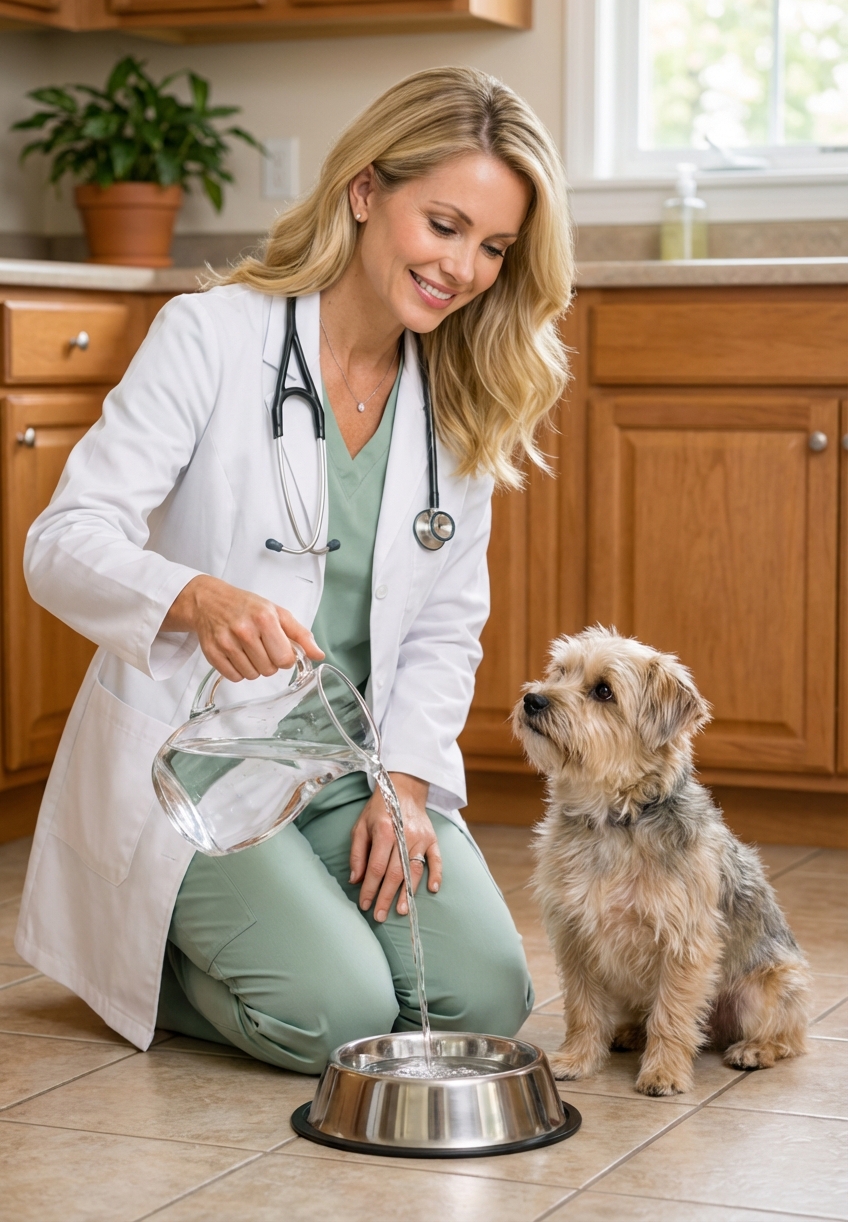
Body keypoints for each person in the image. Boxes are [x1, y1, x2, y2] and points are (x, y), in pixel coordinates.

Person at [15, 67, 574, 1071]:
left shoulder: (457, 392)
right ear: (365, 191)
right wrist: (188, 594)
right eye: (441, 224)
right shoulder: (214, 336)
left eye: (492, 247)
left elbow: (447, 627)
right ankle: (145, 965)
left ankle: (304, 934)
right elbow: (59, 542)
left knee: (483, 999)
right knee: (343, 1020)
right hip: (201, 760)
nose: (462, 268)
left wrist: (402, 785)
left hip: (348, 766)